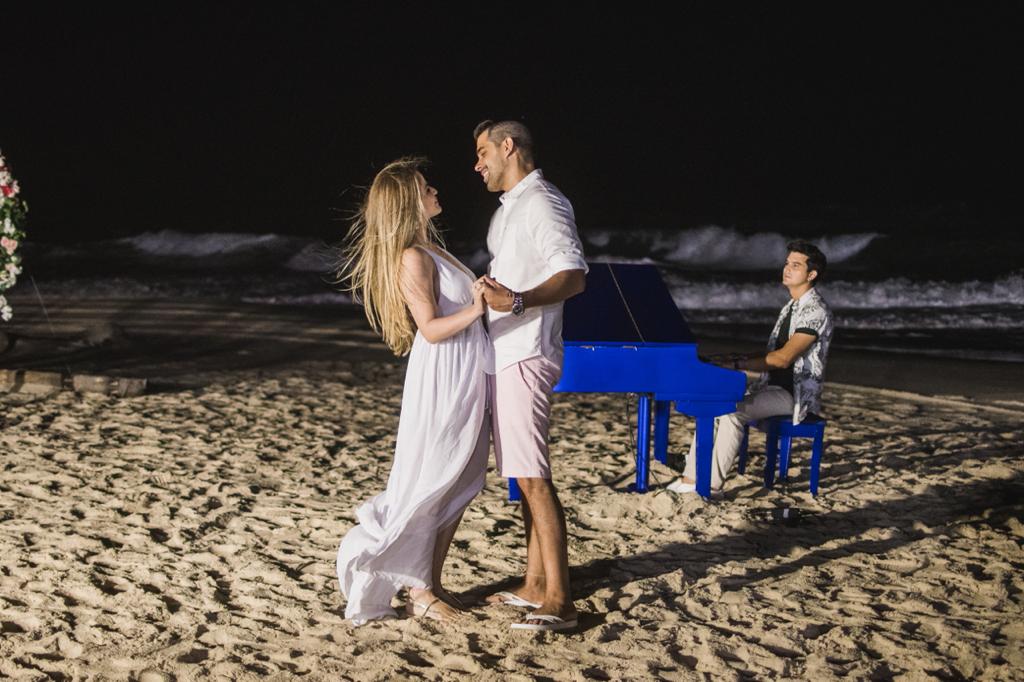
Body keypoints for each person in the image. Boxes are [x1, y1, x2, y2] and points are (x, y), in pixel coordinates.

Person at [335, 157, 494, 624]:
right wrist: (477, 308)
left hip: (465, 368)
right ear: (410, 202)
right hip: (444, 372)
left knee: (462, 479)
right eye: (426, 187)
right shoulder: (412, 256)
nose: (435, 190)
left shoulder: (433, 250)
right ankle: (421, 591)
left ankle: (430, 583)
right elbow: (429, 328)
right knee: (437, 475)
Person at [472, 120, 587, 632]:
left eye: (482, 153)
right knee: (523, 474)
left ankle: (559, 599)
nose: (477, 165)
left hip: (527, 351)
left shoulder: (544, 202)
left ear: (508, 147)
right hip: (506, 349)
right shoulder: (512, 208)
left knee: (535, 478)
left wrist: (516, 300)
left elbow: (574, 274)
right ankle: (534, 583)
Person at [668, 240, 833, 494]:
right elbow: (770, 354)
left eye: (796, 265)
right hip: (773, 387)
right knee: (713, 407)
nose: (787, 269)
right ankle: (691, 479)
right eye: (787, 263)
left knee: (732, 414)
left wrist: (737, 364)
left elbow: (783, 359)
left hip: (794, 396)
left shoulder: (815, 311)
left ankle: (710, 486)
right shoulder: (792, 306)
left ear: (811, 274)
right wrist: (731, 358)